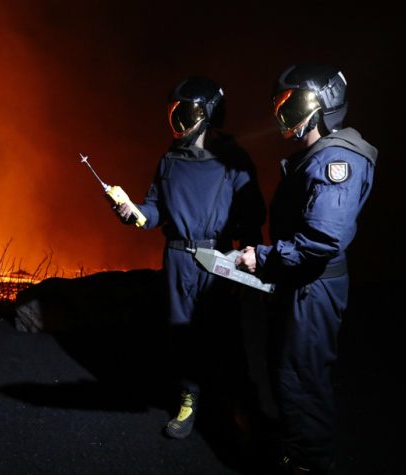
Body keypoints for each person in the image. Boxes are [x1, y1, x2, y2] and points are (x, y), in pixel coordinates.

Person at [235, 63, 378, 474]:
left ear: (321, 106)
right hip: (299, 282)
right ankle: (297, 448)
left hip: (312, 288)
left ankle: (310, 463)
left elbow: (322, 240)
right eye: (281, 105)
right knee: (287, 370)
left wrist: (261, 258)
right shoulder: (316, 155)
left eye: (292, 104)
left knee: (302, 376)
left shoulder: (337, 160)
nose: (283, 115)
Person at [112, 75, 266, 439]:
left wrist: (250, 262)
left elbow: (251, 213)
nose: (178, 121)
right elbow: (154, 211)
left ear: (208, 113)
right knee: (181, 334)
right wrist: (133, 211)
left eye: (186, 112)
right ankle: (188, 399)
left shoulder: (233, 159)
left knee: (224, 333)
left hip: (220, 257)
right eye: (174, 113)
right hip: (179, 258)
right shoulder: (169, 160)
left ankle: (236, 403)